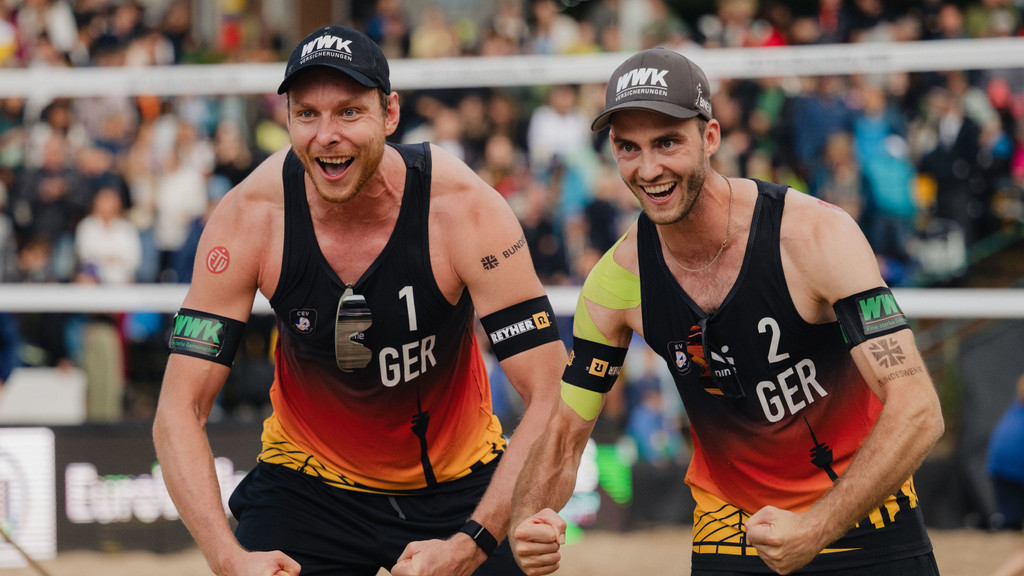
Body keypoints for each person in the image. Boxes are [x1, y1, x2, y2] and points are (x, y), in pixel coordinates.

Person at [508, 47, 945, 576]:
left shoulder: (813, 234)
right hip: (732, 530)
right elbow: (563, 436)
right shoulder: (615, 283)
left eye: (667, 142)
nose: (649, 169)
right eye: (628, 148)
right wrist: (528, 518)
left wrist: (815, 528)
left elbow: (917, 407)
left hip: (864, 514)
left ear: (710, 137)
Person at [152, 25, 566, 576]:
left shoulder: (462, 209)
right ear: (288, 120)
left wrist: (470, 545)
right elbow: (177, 410)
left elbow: (551, 392)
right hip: (308, 483)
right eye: (307, 114)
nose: (327, 135)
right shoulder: (249, 216)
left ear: (390, 114)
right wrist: (228, 559)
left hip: (458, 481)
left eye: (349, 112)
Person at [988, 374, 1024, 531]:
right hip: (1013, 470)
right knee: (1011, 522)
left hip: (998, 468)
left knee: (1009, 519)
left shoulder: (1015, 407)